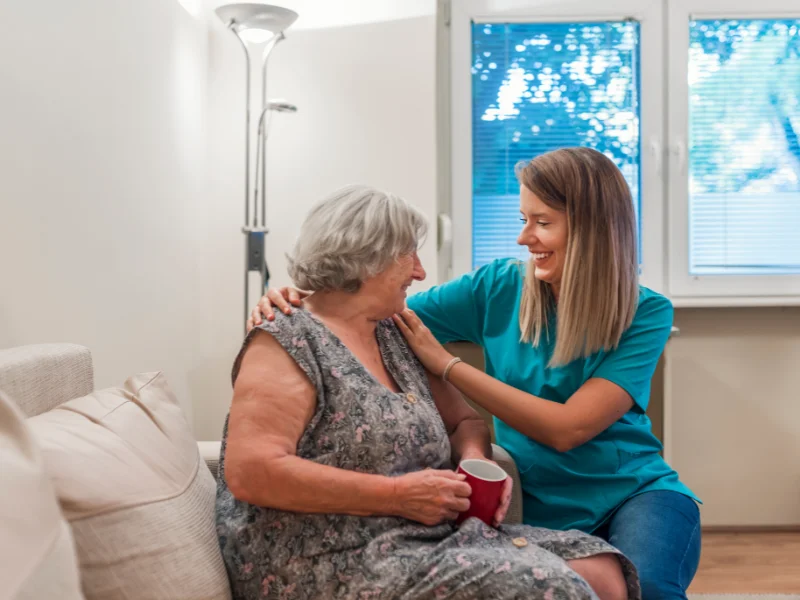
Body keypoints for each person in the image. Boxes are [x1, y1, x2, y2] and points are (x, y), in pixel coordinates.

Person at [249, 149, 702, 600]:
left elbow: (570, 428)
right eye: (523, 219)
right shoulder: (498, 286)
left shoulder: (646, 312)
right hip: (538, 500)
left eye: (542, 223)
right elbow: (368, 307)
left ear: (592, 232)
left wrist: (449, 366)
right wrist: (301, 296)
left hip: (634, 494)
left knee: (651, 587)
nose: (525, 238)